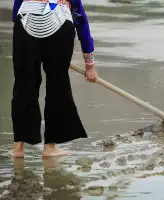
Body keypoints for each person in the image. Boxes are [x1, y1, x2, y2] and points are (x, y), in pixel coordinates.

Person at [10, 0, 98, 158]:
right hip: (59, 23)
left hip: (26, 21)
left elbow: (17, 9)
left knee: (24, 85)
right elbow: (80, 17)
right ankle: (50, 147)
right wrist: (89, 64)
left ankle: (18, 148)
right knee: (58, 86)